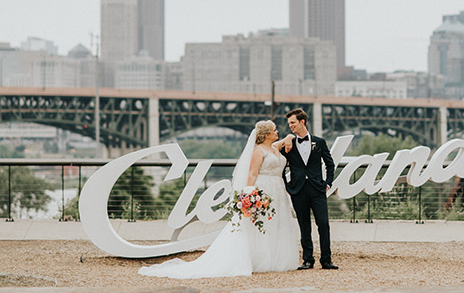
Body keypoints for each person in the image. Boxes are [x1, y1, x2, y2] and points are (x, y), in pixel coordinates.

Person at [138, 120, 300, 278]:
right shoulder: (258, 151)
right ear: (266, 135)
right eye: (274, 130)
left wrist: (290, 138)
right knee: (259, 225)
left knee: (277, 224)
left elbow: (287, 138)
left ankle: (275, 260)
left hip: (278, 191)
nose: (277, 132)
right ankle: (260, 260)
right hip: (263, 189)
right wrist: (250, 194)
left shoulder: (273, 147)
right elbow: (252, 174)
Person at [281, 108, 338, 270]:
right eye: (289, 123)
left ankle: (326, 260)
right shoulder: (289, 144)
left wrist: (328, 183)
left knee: (324, 224)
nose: (290, 126)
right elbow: (281, 165)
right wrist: (286, 185)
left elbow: (330, 164)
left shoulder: (319, 142)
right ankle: (308, 260)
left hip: (317, 190)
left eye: (292, 123)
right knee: (304, 226)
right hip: (297, 190)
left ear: (302, 122)